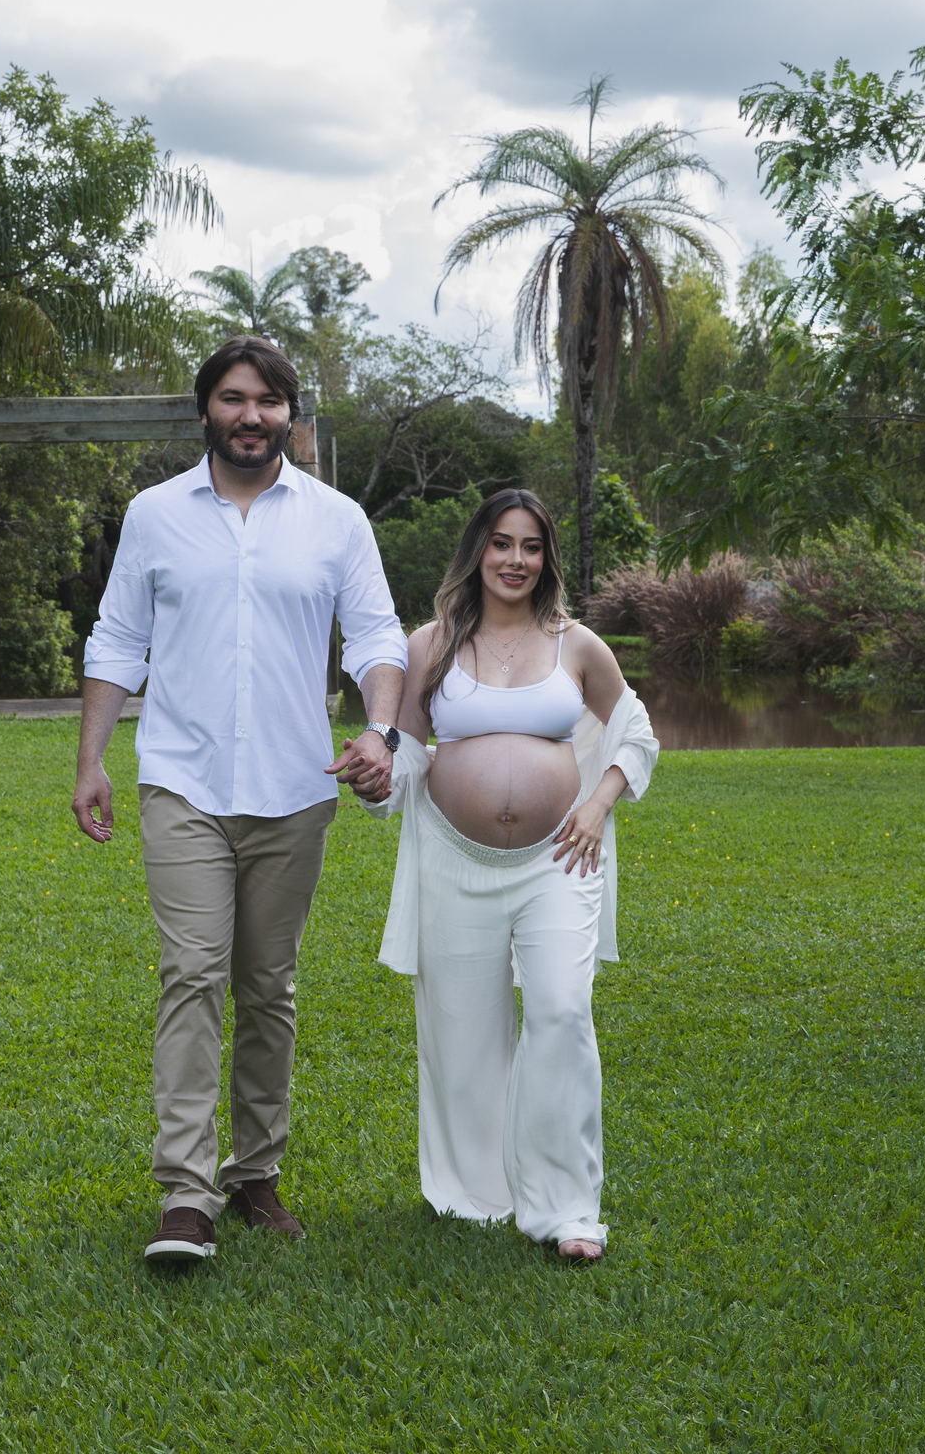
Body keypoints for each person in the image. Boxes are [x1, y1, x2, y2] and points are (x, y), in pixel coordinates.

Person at [73, 335, 406, 1264]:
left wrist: (380, 731)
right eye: (232, 398)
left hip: (296, 790)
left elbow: (378, 636)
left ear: (289, 414)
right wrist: (92, 760)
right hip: (182, 780)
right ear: (206, 412)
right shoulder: (154, 515)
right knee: (192, 973)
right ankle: (186, 1194)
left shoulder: (338, 521)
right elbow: (117, 638)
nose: (250, 416)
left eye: (267, 400)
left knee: (268, 985)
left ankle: (254, 1172)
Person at [355, 488, 657, 1260]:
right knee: (463, 1031)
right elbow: (408, 749)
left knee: (562, 1011)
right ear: (477, 551)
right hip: (456, 861)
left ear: (546, 558)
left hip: (559, 857)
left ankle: (567, 1208)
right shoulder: (431, 645)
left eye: (530, 546)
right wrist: (378, 775)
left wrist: (598, 805)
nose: (515, 560)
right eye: (500, 543)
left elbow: (635, 731)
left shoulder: (577, 645)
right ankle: (478, 1196)